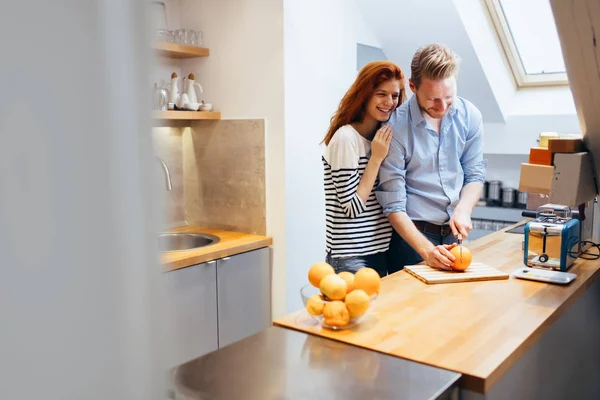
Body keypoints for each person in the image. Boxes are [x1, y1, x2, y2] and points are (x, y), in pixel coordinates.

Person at [375, 43, 487, 273]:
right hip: (411, 240)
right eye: (433, 99)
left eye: (449, 97)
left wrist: (463, 210)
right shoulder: (394, 127)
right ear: (413, 86)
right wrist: (426, 251)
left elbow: (474, 175)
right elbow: (393, 204)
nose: (443, 106)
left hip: (453, 237)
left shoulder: (470, 116)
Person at [322, 61, 408, 278]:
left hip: (380, 251)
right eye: (381, 94)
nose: (389, 102)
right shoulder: (346, 138)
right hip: (350, 257)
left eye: (395, 96)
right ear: (365, 94)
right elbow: (351, 208)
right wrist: (376, 159)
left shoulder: (383, 136)